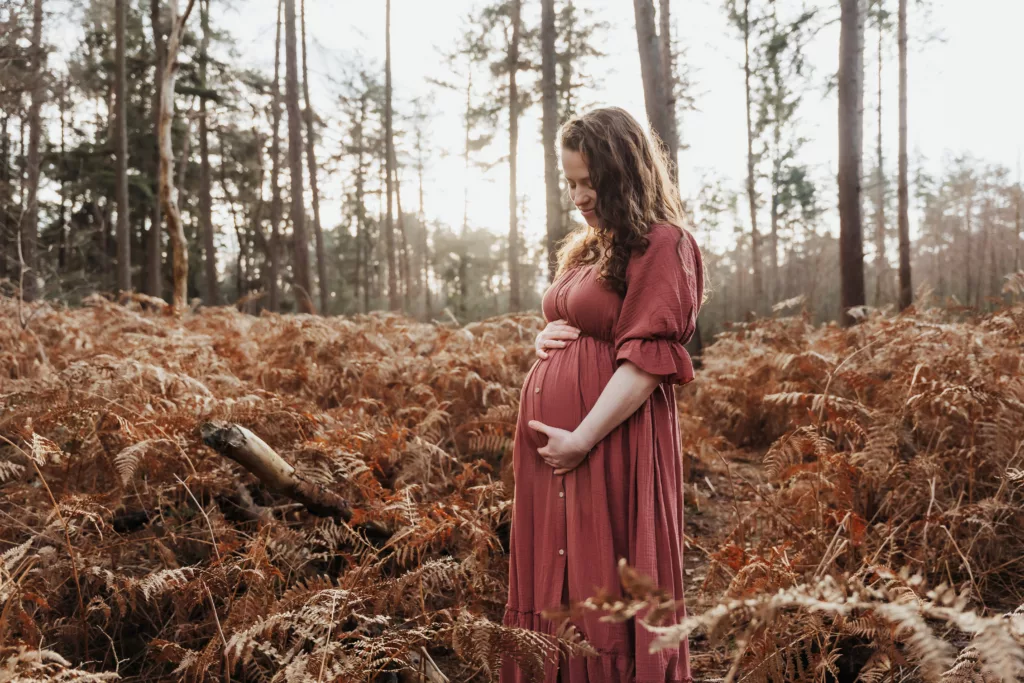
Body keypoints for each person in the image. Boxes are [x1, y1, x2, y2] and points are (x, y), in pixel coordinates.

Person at [500, 106, 705, 683]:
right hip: (557, 455)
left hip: (607, 443)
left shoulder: (663, 243)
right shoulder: (593, 244)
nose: (579, 196)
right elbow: (590, 324)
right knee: (557, 583)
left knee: (602, 582)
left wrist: (581, 439)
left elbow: (645, 362)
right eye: (570, 183)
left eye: (590, 183)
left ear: (625, 175)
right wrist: (547, 336)